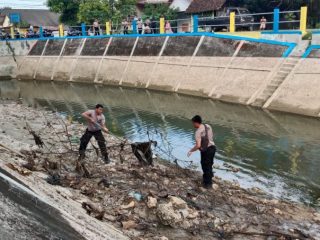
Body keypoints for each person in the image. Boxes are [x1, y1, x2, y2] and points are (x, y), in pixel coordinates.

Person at [188, 115, 216, 188]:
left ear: (196, 122)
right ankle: (210, 175)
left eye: (193, 123)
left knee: (205, 165)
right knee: (210, 163)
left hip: (206, 150)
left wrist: (191, 150)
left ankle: (207, 184)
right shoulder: (208, 126)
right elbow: (212, 136)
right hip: (213, 148)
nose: (193, 125)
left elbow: (198, 145)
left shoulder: (198, 132)